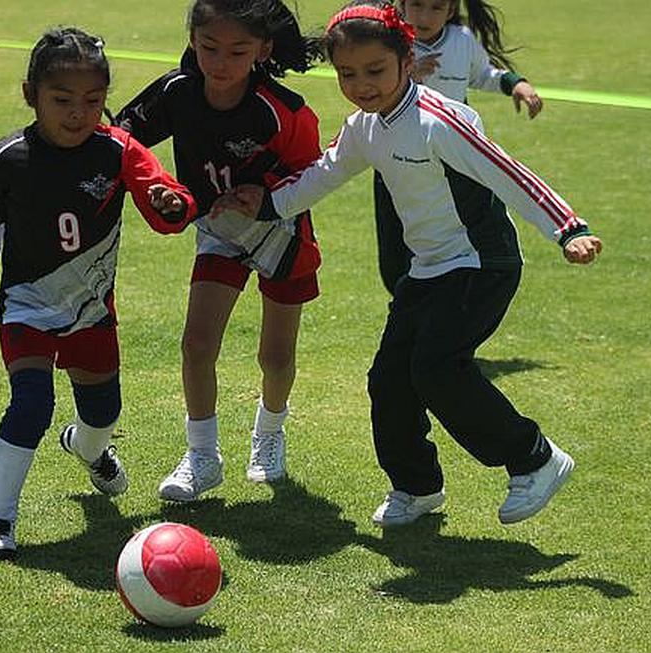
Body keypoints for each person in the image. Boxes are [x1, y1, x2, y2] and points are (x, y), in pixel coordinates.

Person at [214, 0, 603, 527]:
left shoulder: (440, 120)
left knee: (437, 368)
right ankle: (416, 488)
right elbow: (323, 174)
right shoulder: (364, 127)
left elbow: (508, 172)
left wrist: (568, 229)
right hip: (426, 270)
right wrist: (266, 203)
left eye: (374, 70)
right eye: (347, 74)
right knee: (389, 381)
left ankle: (534, 457)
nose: (361, 84)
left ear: (406, 59)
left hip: (479, 264)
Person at [0, 27, 197, 559]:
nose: (77, 114)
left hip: (91, 311)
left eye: (92, 102)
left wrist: (172, 202)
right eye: (61, 101)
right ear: (31, 96)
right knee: (30, 404)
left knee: (102, 414)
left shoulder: (117, 150)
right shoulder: (7, 158)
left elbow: (163, 194)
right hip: (25, 307)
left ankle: (88, 449)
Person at [115, 0, 323, 502]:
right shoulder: (176, 92)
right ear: (192, 40)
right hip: (218, 230)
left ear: (262, 50)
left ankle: (269, 435)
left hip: (281, 233)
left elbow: (314, 172)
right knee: (197, 344)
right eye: (209, 47)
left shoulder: (284, 109)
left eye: (237, 51)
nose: (221, 62)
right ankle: (202, 457)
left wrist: (267, 196)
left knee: (275, 357)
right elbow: (121, 140)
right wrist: (164, 188)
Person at [374, 0, 544, 294]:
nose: (424, 16)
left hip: (453, 164)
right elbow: (369, 88)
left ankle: (447, 297)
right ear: (401, 5)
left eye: (436, 8)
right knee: (395, 251)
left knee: (456, 240)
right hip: (399, 160)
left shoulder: (461, 41)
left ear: (450, 11)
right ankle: (405, 298)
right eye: (416, 5)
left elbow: (483, 74)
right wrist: (406, 77)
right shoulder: (390, 43)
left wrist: (516, 84)